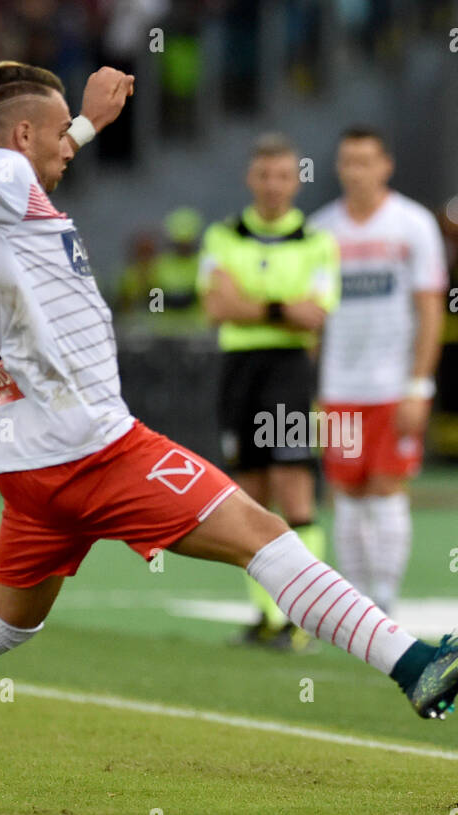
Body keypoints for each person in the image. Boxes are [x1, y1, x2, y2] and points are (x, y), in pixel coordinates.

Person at [0, 60, 458, 813]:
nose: (70, 146)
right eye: (60, 128)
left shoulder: (5, 192)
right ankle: (413, 663)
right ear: (20, 135)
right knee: (266, 535)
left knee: (3, 623)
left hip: (29, 457)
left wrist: (86, 124)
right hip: (94, 446)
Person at [197, 134, 338, 650]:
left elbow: (316, 313)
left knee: (294, 488)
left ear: (296, 181)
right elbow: (217, 307)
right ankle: (268, 617)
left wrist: (251, 301)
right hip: (240, 369)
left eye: (283, 175)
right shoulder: (222, 236)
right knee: (249, 495)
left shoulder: (317, 241)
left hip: (289, 372)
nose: (274, 185)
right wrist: (284, 306)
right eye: (265, 175)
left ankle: (303, 618)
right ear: (250, 179)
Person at [307, 127, 446, 614]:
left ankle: (384, 597)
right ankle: (355, 600)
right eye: (348, 161)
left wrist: (419, 386)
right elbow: (314, 318)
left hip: (393, 386)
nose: (356, 171)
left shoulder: (413, 224)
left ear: (385, 165)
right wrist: (313, 386)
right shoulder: (321, 230)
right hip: (340, 387)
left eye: (366, 161)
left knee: (387, 489)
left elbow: (430, 310)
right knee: (346, 493)